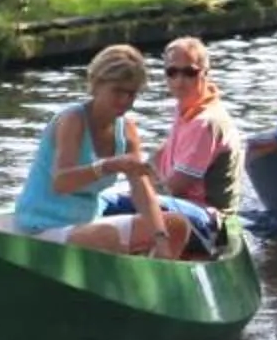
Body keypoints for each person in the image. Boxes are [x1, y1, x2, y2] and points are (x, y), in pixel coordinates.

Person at [13, 44, 179, 257]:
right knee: (106, 236)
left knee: (175, 226)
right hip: (43, 226)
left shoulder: (127, 129)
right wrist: (109, 166)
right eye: (118, 91)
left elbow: (142, 190)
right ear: (97, 84)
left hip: (85, 224)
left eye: (131, 94)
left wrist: (160, 237)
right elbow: (61, 182)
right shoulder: (73, 120)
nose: (125, 100)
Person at [101, 36, 241, 255]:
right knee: (109, 194)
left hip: (208, 222)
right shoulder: (186, 109)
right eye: (172, 72)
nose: (179, 81)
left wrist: (136, 194)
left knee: (109, 203)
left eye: (189, 73)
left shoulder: (206, 123)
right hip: (181, 206)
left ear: (204, 73)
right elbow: (162, 153)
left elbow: (177, 186)